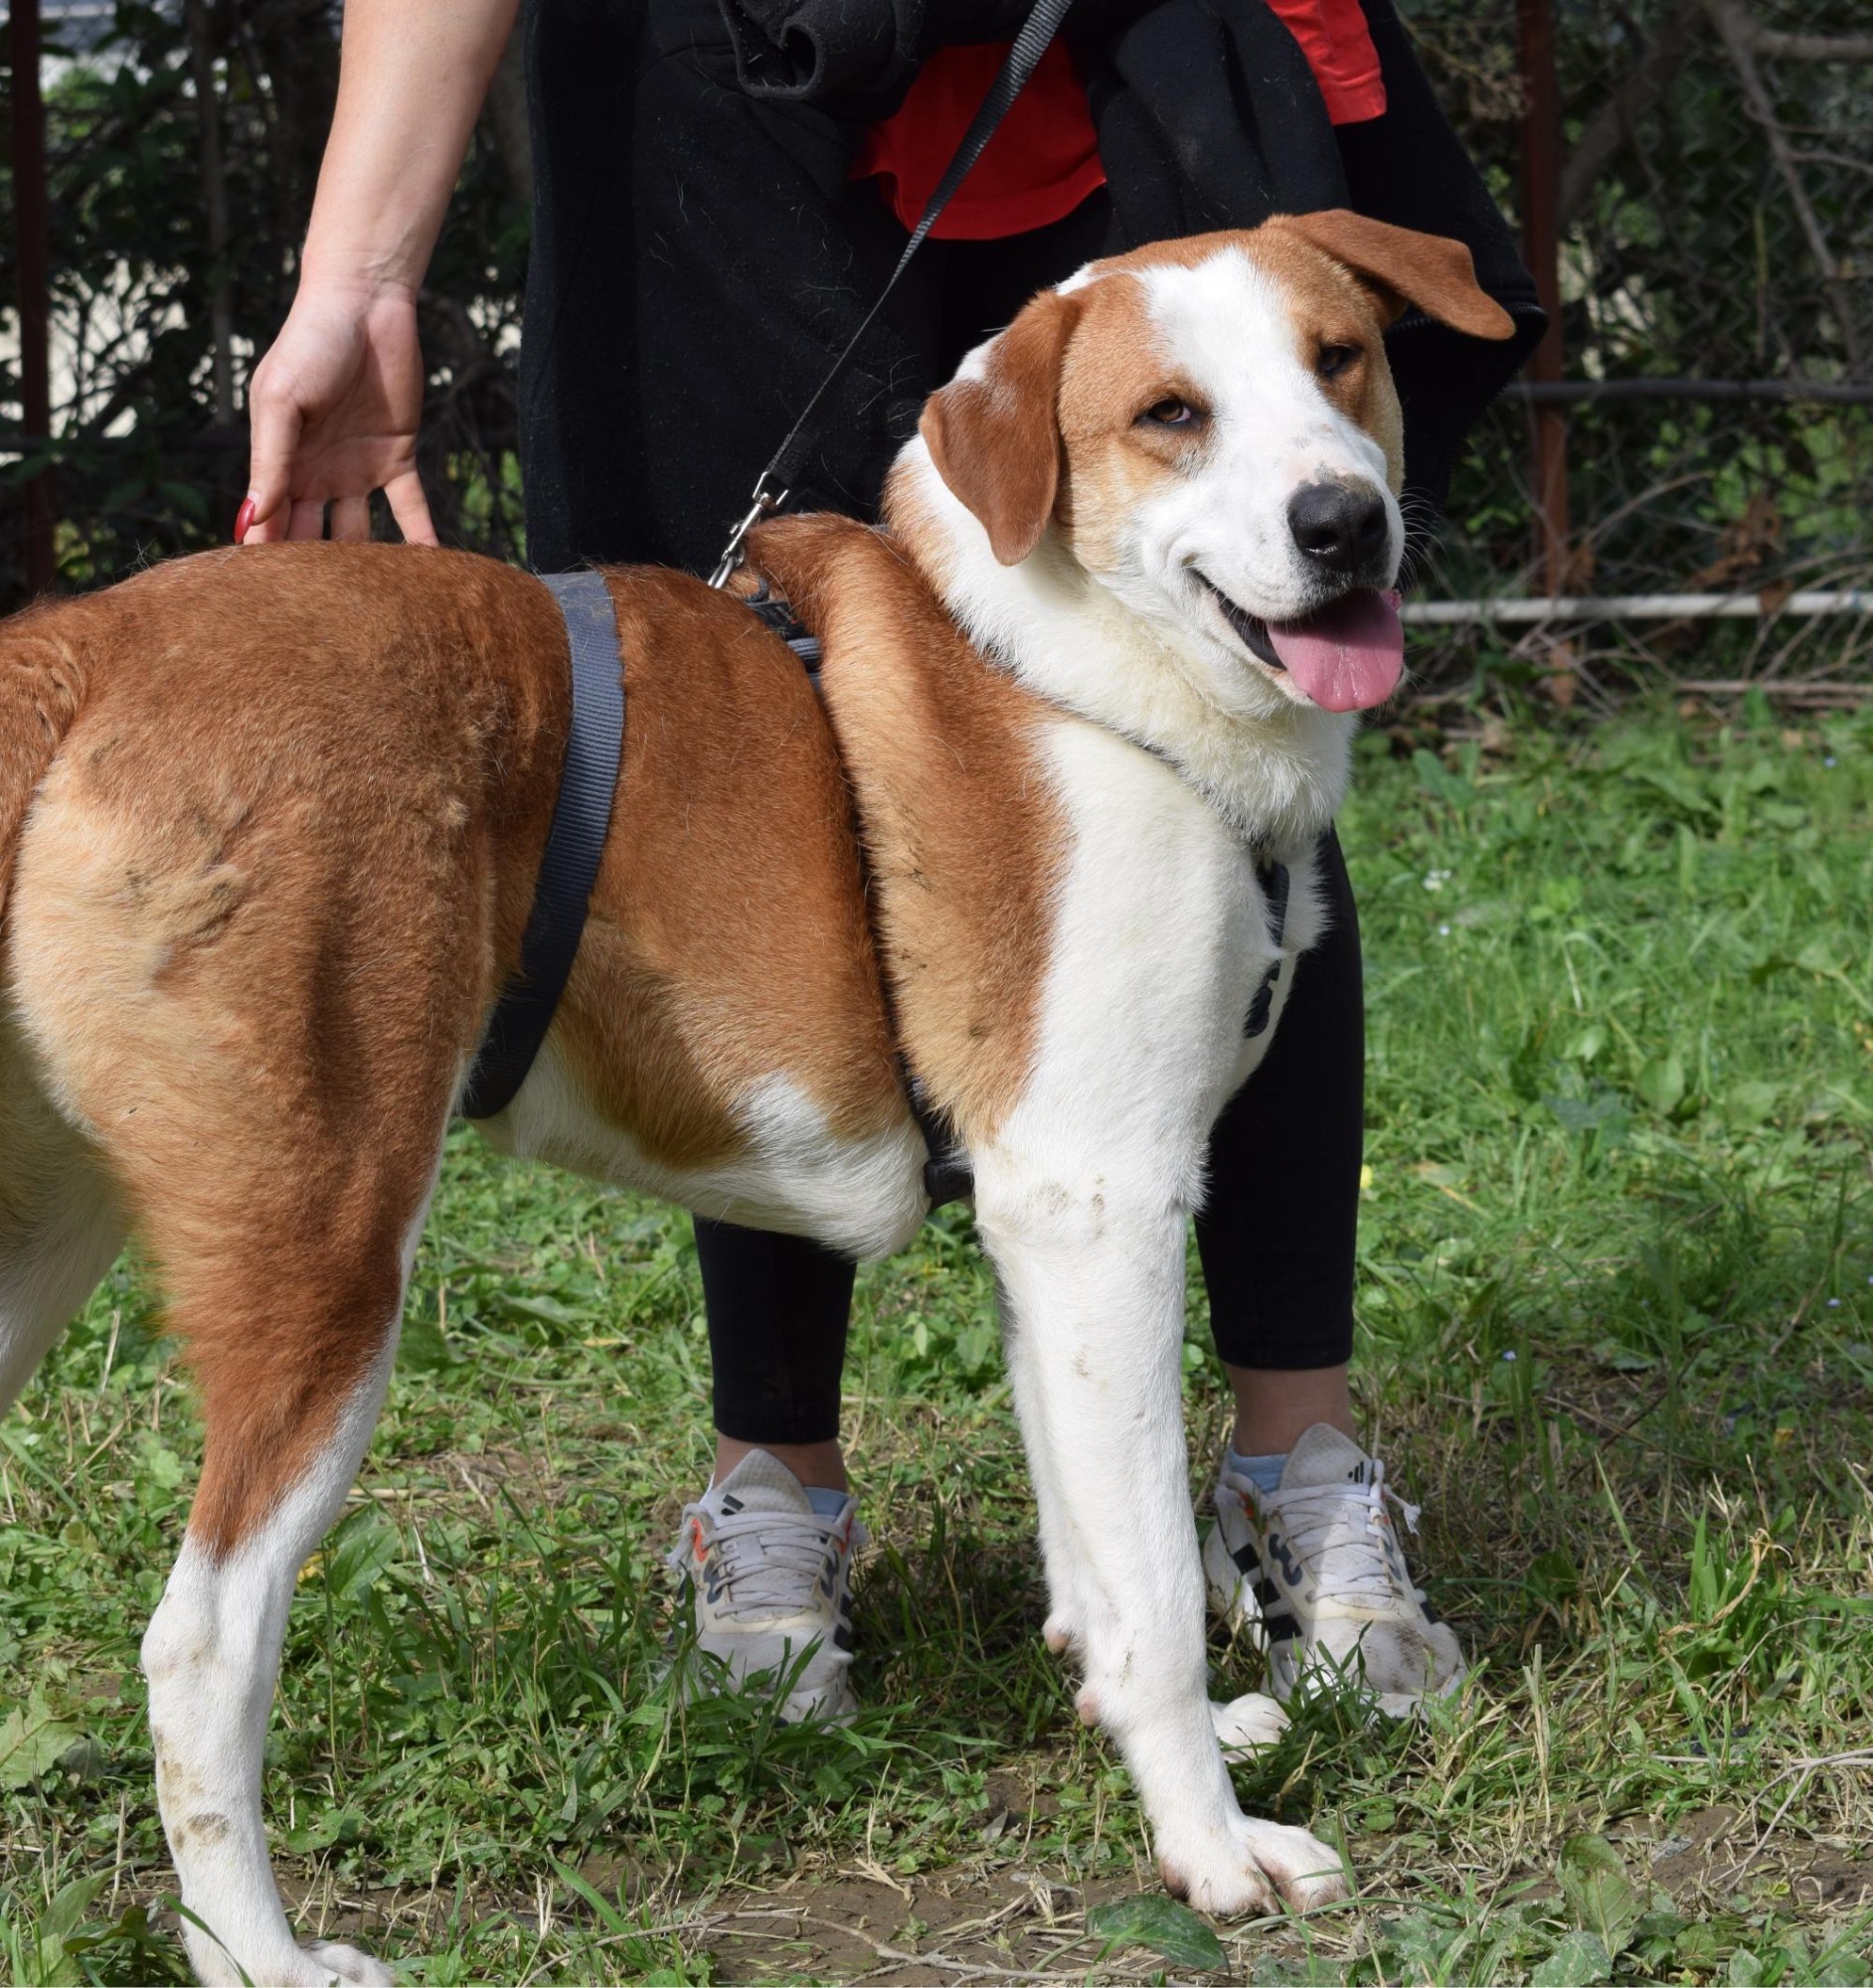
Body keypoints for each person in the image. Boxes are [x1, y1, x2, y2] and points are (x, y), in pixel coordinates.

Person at [242, 0, 1541, 1723]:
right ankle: (775, 1490)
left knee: (1235, 733)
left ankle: (1292, 1471)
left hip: (1135, 41)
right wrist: (357, 271)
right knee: (733, 788)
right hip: (715, 76)